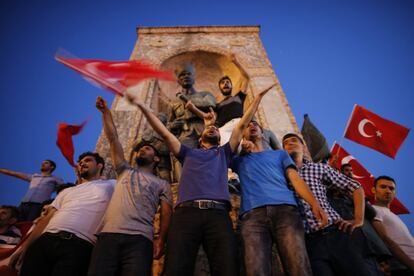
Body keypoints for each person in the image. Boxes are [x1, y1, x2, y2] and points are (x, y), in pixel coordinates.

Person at [127, 83, 275, 276]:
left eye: (215, 127)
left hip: (218, 214)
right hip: (186, 214)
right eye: (208, 128)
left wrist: (257, 99)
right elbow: (164, 132)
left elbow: (241, 126)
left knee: (227, 267)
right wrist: (142, 106)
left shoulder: (224, 153)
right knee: (176, 268)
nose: (212, 128)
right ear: (200, 139)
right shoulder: (187, 153)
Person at [88, 97, 173, 276]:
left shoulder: (162, 184)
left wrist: (161, 240)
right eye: (141, 149)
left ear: (157, 158)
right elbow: (113, 139)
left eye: (148, 149)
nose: (142, 150)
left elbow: (166, 213)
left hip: (141, 239)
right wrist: (106, 113)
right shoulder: (124, 170)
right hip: (108, 235)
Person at [232, 121, 327, 276]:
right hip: (252, 216)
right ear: (243, 134)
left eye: (256, 124)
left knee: (298, 266)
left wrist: (313, 203)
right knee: (256, 270)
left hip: (286, 211)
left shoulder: (280, 154)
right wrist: (242, 151)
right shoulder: (238, 160)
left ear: (263, 134)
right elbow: (228, 148)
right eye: (247, 126)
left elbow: (295, 178)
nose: (252, 126)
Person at [8, 152, 115, 276]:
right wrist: (25, 248)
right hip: (45, 241)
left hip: (80, 245)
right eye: (80, 163)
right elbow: (47, 219)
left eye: (88, 160)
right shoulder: (67, 191)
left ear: (100, 165)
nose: (82, 164)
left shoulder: (112, 185)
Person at [282, 133, 375, 276]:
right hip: (308, 243)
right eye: (286, 143)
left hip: (335, 234)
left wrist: (358, 219)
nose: (290, 143)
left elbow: (355, 187)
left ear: (303, 147)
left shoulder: (319, 168)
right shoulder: (280, 174)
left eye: (294, 140)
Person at [371, 175, 414, 275]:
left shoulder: (393, 215)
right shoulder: (374, 209)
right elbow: (386, 240)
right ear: (374, 190)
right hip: (404, 267)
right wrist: (411, 265)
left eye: (391, 188)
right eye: (383, 187)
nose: (388, 191)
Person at [167, 64, 216, 149]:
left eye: (189, 74)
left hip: (205, 129)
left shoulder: (205, 94)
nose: (186, 76)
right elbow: (168, 124)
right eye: (182, 74)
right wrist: (173, 125)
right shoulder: (173, 103)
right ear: (178, 80)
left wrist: (188, 100)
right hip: (185, 133)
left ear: (194, 78)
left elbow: (210, 103)